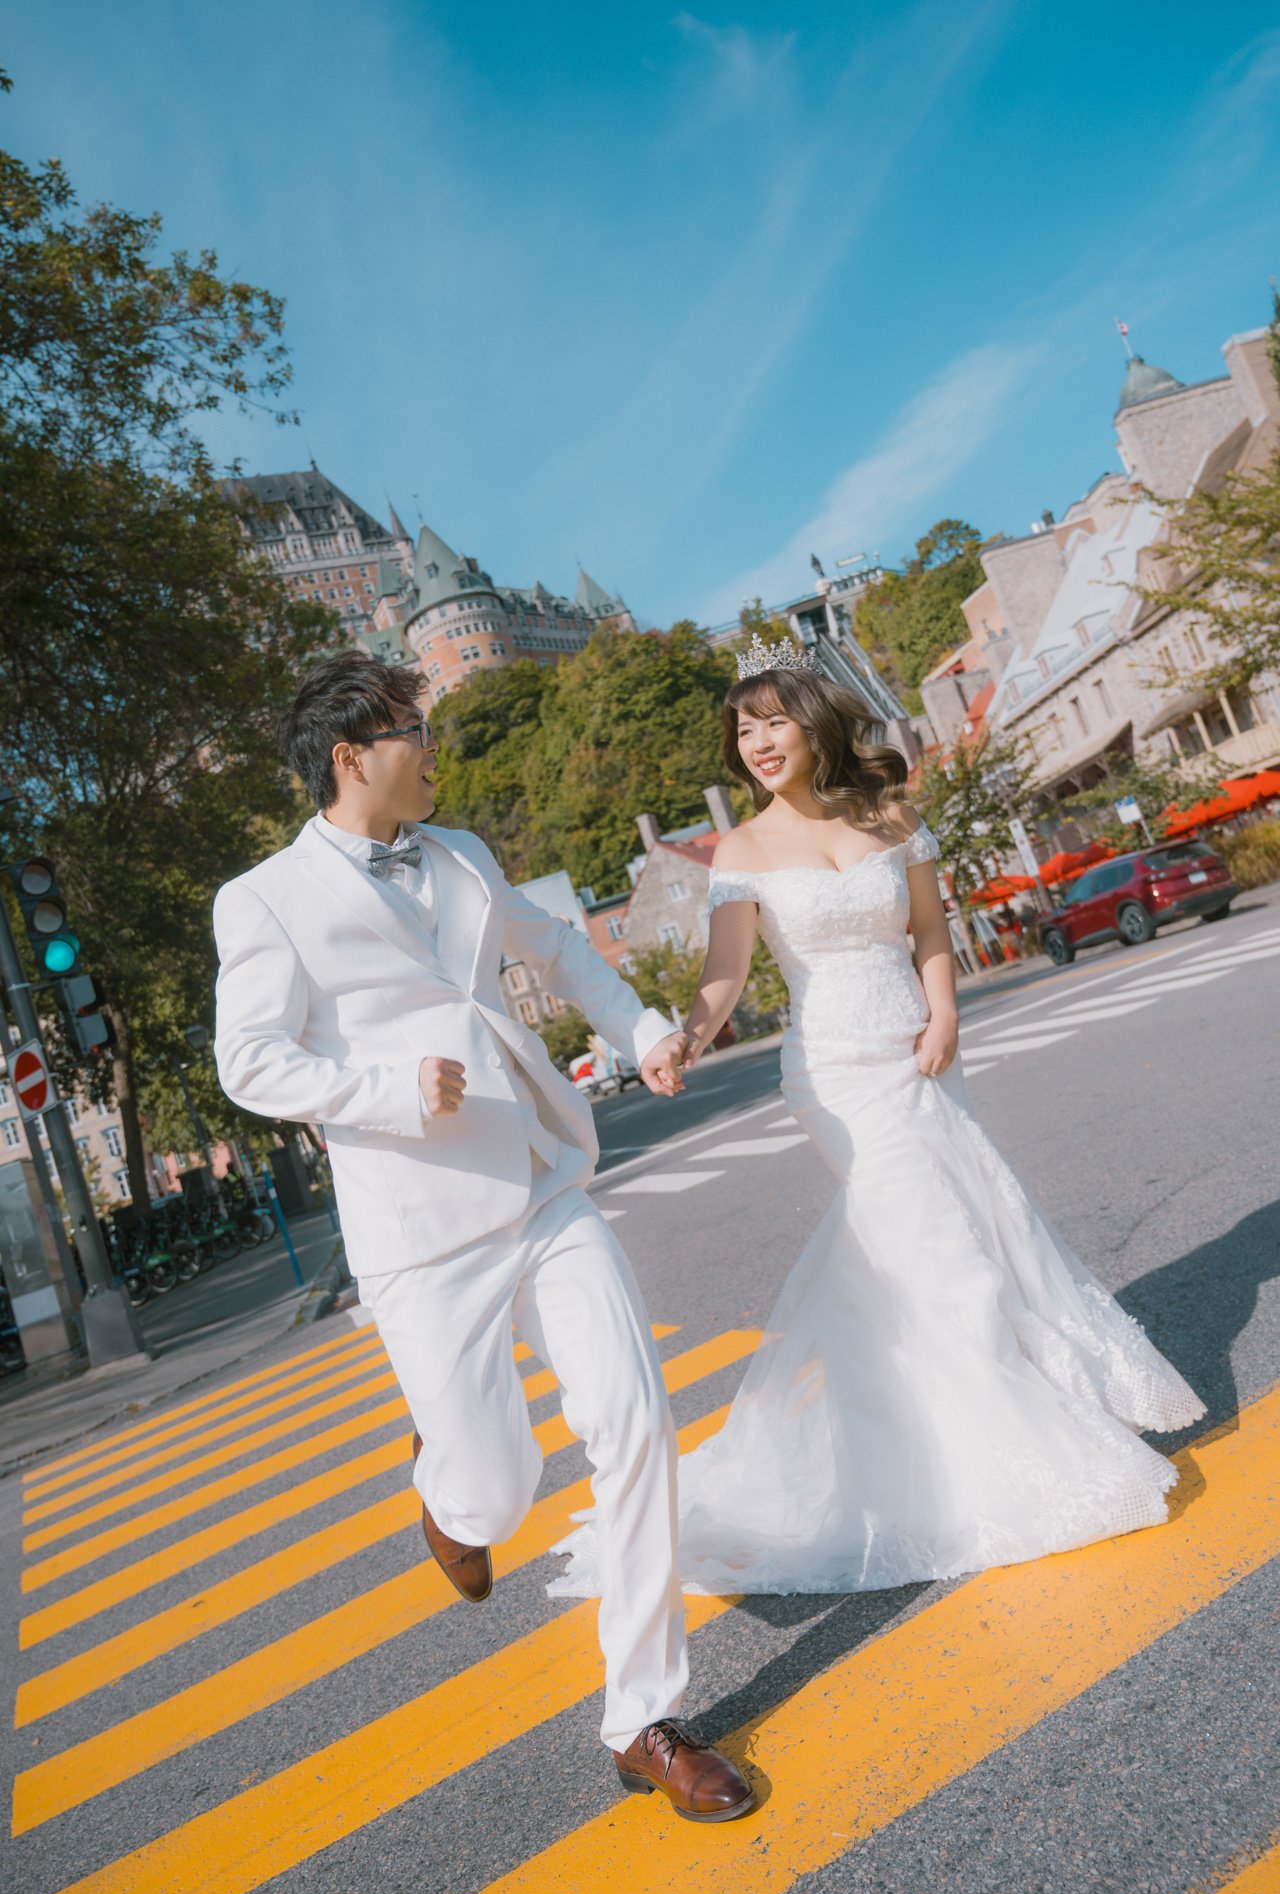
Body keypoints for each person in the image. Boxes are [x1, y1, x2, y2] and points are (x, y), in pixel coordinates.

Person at [213, 651, 754, 1822]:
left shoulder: (461, 854)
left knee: (635, 1419)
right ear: (353, 755)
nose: (432, 748)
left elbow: (556, 952)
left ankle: (643, 1721)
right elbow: (249, 1060)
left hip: (536, 1177)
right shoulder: (262, 898)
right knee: (498, 1495)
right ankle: (450, 1501)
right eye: (413, 730)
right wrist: (391, 1090)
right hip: (416, 1225)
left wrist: (642, 1031)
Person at [551, 641, 1205, 1599]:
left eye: (772, 720)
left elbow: (932, 931)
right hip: (835, 1075)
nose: (756, 742)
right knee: (941, 1247)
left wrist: (945, 1013)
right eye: (742, 729)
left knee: (971, 1225)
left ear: (813, 721)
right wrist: (685, 1037)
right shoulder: (739, 850)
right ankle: (1007, 1463)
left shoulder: (892, 814)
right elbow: (725, 974)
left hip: (920, 1049)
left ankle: (969, 1425)